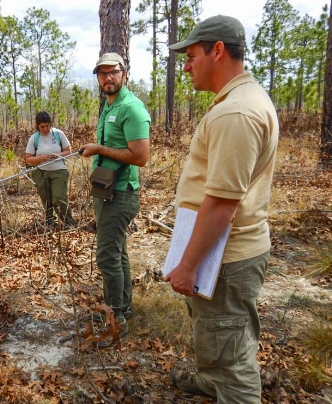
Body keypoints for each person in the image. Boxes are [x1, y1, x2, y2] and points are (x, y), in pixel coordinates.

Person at [165, 16, 279, 403]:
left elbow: (223, 204)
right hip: (224, 251)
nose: (186, 65)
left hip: (225, 256)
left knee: (231, 358)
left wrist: (189, 265)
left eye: (192, 55)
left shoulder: (236, 114)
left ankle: (226, 386)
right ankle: (212, 380)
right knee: (223, 336)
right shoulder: (239, 102)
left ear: (218, 51)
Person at [80, 52, 150, 346]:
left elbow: (141, 156)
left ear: (124, 74)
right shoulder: (109, 105)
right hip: (106, 191)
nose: (108, 78)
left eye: (113, 72)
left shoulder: (131, 108)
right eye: (102, 73)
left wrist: (99, 150)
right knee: (118, 252)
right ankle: (124, 308)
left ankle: (115, 318)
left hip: (121, 194)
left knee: (107, 255)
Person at [25, 111, 76, 229]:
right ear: (37, 126)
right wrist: (40, 158)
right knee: (46, 199)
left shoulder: (58, 134)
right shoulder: (34, 138)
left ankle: (69, 223)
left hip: (59, 170)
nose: (45, 129)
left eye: (47, 126)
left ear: (50, 124)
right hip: (40, 172)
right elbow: (28, 158)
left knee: (58, 198)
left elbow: (68, 151)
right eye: (42, 126)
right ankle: (50, 222)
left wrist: (58, 155)